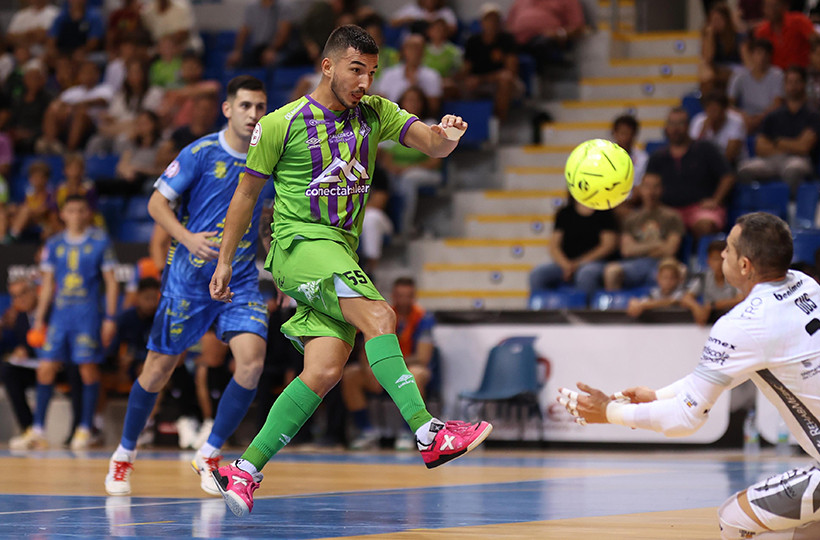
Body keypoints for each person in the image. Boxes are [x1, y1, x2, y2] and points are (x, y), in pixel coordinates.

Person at [207, 25, 492, 517]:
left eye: (371, 72)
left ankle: (245, 469)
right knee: (381, 317)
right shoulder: (280, 123)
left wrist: (448, 135)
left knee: (324, 370)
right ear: (328, 66)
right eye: (355, 70)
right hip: (299, 246)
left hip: (340, 251)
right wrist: (227, 260)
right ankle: (429, 432)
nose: (364, 81)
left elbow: (431, 144)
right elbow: (246, 197)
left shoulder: (376, 112)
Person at [558, 211, 820, 540]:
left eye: (728, 251)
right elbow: (714, 377)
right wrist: (658, 395)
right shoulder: (805, 283)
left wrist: (610, 414)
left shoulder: (744, 325)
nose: (720, 258)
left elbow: (685, 419)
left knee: (734, 520)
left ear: (745, 265)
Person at [104, 76, 271, 498]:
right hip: (189, 281)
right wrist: (188, 237)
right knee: (157, 370)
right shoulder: (200, 152)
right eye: (246, 106)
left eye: (261, 107)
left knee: (251, 362)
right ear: (228, 109)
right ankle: (123, 455)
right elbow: (156, 203)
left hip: (239, 277)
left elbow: (267, 218)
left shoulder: (269, 156)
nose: (254, 114)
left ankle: (209, 453)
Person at [26, 195, 118, 450]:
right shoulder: (54, 244)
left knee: (87, 368)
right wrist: (39, 319)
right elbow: (47, 285)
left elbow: (111, 282)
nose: (76, 215)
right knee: (45, 368)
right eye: (71, 211)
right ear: (63, 214)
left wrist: (110, 317)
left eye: (80, 210)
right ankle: (37, 430)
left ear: (87, 213)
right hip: (60, 315)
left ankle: (86, 428)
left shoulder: (100, 241)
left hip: (87, 314)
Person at [342, 277, 436, 450]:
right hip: (384, 366)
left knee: (416, 374)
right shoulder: (382, 314)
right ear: (393, 295)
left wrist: (390, 368)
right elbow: (366, 349)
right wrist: (370, 369)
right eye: (400, 295)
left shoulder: (424, 318)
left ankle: (408, 431)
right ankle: (366, 431)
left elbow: (423, 357)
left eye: (408, 296)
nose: (403, 300)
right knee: (351, 374)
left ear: (414, 297)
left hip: (409, 367)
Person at [645, 107, 735, 238]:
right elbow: (648, 184)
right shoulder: (657, 157)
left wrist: (716, 200)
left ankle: (700, 258)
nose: (676, 128)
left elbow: (728, 177)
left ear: (688, 126)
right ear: (666, 127)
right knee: (649, 228)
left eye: (680, 123)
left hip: (700, 209)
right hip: (667, 210)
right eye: (672, 124)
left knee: (705, 225)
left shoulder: (705, 149)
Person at [738, 66, 820, 192]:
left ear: (804, 84)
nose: (793, 86)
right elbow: (759, 148)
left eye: (797, 82)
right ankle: (755, 206)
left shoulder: (812, 114)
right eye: (789, 82)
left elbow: (804, 148)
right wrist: (792, 144)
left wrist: (777, 142)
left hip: (798, 160)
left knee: (793, 170)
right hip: (771, 161)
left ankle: (791, 207)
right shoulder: (773, 115)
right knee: (744, 169)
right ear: (784, 85)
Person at [603, 174, 684, 291]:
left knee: (679, 271)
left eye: (655, 187)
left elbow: (670, 250)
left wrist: (639, 248)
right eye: (647, 187)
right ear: (640, 189)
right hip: (635, 264)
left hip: (662, 263)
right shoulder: (631, 218)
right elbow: (627, 250)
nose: (651, 192)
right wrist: (657, 244)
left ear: (662, 189)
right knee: (611, 271)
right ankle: (616, 306)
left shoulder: (672, 216)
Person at [379, 86, 442, 235]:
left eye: (416, 101)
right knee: (383, 179)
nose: (412, 103)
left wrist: (409, 167)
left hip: (425, 172)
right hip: (397, 172)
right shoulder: (393, 125)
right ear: (402, 102)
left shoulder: (430, 124)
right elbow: (386, 159)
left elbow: (436, 161)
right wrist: (393, 168)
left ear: (422, 104)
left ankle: (405, 226)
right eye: (409, 100)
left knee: (408, 179)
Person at [530, 197, 618, 298]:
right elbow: (554, 246)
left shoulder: (604, 213)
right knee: (538, 274)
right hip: (566, 264)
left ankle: (586, 311)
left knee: (586, 274)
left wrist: (578, 263)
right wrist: (566, 265)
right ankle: (541, 310)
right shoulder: (565, 213)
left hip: (595, 263)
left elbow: (608, 245)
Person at [462, 3, 523, 123]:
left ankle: (498, 123)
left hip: (501, 83)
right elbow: (466, 70)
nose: (491, 24)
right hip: (478, 83)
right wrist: (469, 79)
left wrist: (482, 79)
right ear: (481, 22)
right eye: (488, 20)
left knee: (505, 79)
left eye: (495, 20)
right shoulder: (472, 41)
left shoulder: (507, 40)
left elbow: (511, 71)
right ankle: (467, 125)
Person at [2, 277, 44, 449]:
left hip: (59, 366)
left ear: (35, 291)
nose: (19, 300)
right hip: (33, 367)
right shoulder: (17, 316)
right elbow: (17, 343)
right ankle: (28, 428)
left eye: (23, 294)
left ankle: (80, 429)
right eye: (15, 296)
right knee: (7, 371)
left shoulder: (50, 310)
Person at [373, 34, 443, 116]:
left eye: (418, 48)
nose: (415, 52)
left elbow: (434, 109)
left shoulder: (432, 76)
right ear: (403, 50)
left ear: (423, 51)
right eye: (411, 47)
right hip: (393, 120)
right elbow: (380, 105)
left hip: (422, 121)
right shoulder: (388, 74)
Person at [727, 38, 783, 134]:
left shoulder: (778, 75)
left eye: (766, 54)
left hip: (769, 117)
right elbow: (729, 103)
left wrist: (759, 118)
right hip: (746, 119)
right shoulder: (739, 75)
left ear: (770, 56)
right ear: (752, 55)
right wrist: (742, 115)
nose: (762, 57)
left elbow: (777, 104)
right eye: (759, 53)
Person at [682, 239, 743, 325]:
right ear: (708, 261)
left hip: (734, 322)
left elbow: (741, 299)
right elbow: (686, 298)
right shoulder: (703, 278)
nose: (719, 263)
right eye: (715, 259)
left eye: (723, 259)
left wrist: (713, 305)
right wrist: (696, 308)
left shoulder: (736, 277)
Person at [226, 0, 301, 68]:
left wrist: (272, 50)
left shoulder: (284, 6)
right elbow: (244, 30)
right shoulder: (251, 7)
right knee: (237, 63)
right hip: (257, 49)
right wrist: (237, 51)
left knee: (276, 60)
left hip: (280, 49)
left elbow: (284, 32)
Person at [752, 0, 815, 70]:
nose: (771, 10)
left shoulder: (799, 21)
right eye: (767, 6)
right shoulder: (761, 32)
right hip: (776, 76)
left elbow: (818, 43)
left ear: (784, 6)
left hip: (802, 73)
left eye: (775, 6)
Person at [690, 91, 747, 166]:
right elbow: (692, 151)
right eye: (709, 110)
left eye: (715, 110)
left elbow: (730, 155)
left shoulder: (736, 121)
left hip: (734, 165)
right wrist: (703, 131)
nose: (711, 114)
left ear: (724, 110)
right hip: (705, 166)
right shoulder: (698, 121)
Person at [699, 2, 746, 91]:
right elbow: (707, 58)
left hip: (735, 68)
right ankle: (708, 102)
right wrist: (710, 36)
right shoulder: (711, 36)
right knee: (705, 71)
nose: (715, 23)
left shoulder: (738, 37)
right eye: (713, 20)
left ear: (726, 20)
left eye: (718, 20)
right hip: (718, 69)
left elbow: (746, 62)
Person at [609, 114, 648, 201]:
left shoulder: (643, 158)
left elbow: (643, 184)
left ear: (635, 135)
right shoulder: (605, 157)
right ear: (614, 133)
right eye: (623, 133)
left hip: (635, 202)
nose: (626, 138)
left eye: (630, 134)